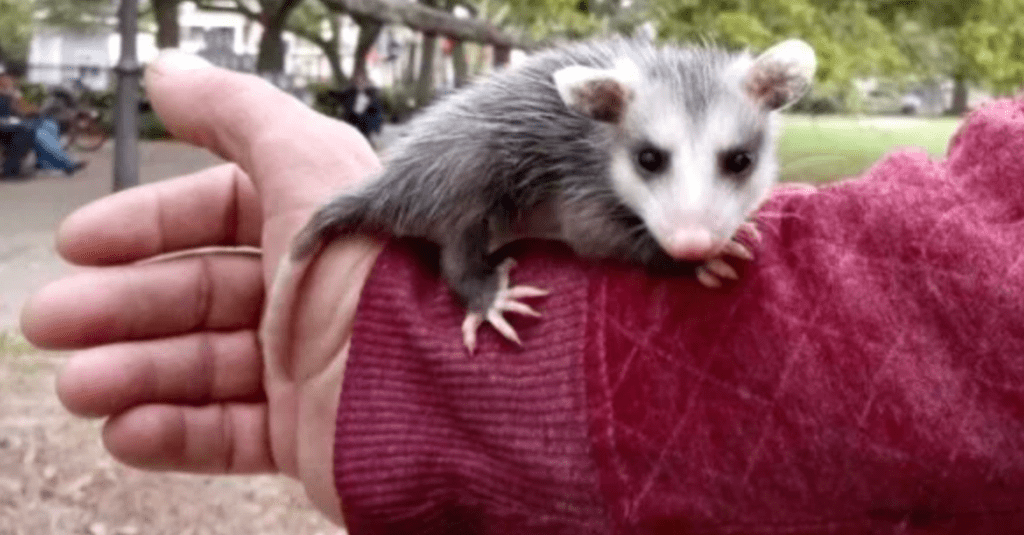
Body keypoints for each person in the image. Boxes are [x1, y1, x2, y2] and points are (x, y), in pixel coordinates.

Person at [19, 50, 1024, 533]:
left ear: (768, 112)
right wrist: (660, 259)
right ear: (610, 120)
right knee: (482, 202)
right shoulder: (600, 147)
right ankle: (470, 279)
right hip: (458, 195)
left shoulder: (694, 126)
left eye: (731, 170)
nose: (692, 218)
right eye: (657, 168)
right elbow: (595, 224)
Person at [0, 73, 86, 178]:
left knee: (50, 124)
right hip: (11, 124)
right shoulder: (5, 95)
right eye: (6, 79)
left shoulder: (13, 93)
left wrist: (16, 99)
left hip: (21, 121)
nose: (10, 81)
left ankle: (49, 163)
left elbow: (24, 109)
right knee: (39, 133)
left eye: (9, 79)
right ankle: (67, 163)